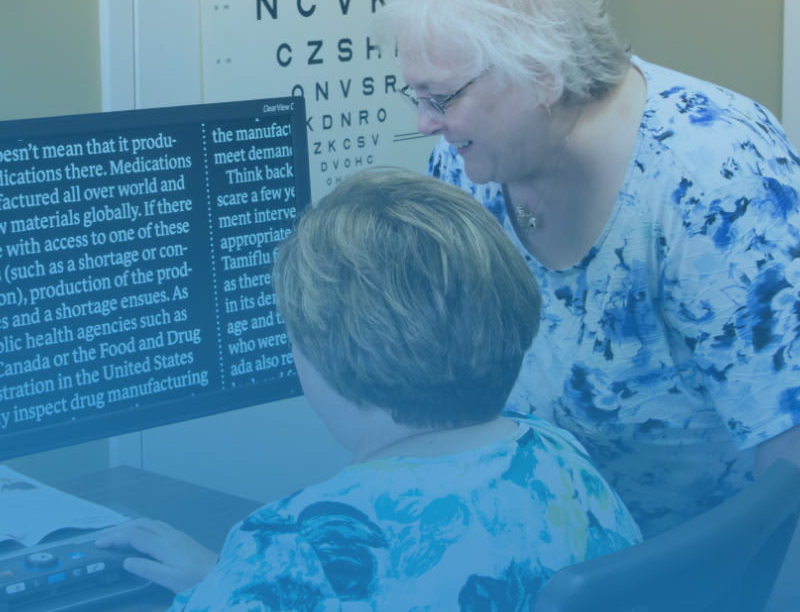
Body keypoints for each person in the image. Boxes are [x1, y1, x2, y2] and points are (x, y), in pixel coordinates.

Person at [374, 0, 800, 609]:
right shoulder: (467, 158)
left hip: (686, 566)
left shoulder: (716, 176)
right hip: (526, 540)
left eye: (442, 97)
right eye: (417, 96)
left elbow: (789, 441)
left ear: (544, 75)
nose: (426, 123)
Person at [97, 169, 641, 610]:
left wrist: (246, 579)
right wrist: (236, 581)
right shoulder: (559, 454)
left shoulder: (296, 541)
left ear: (322, 356)